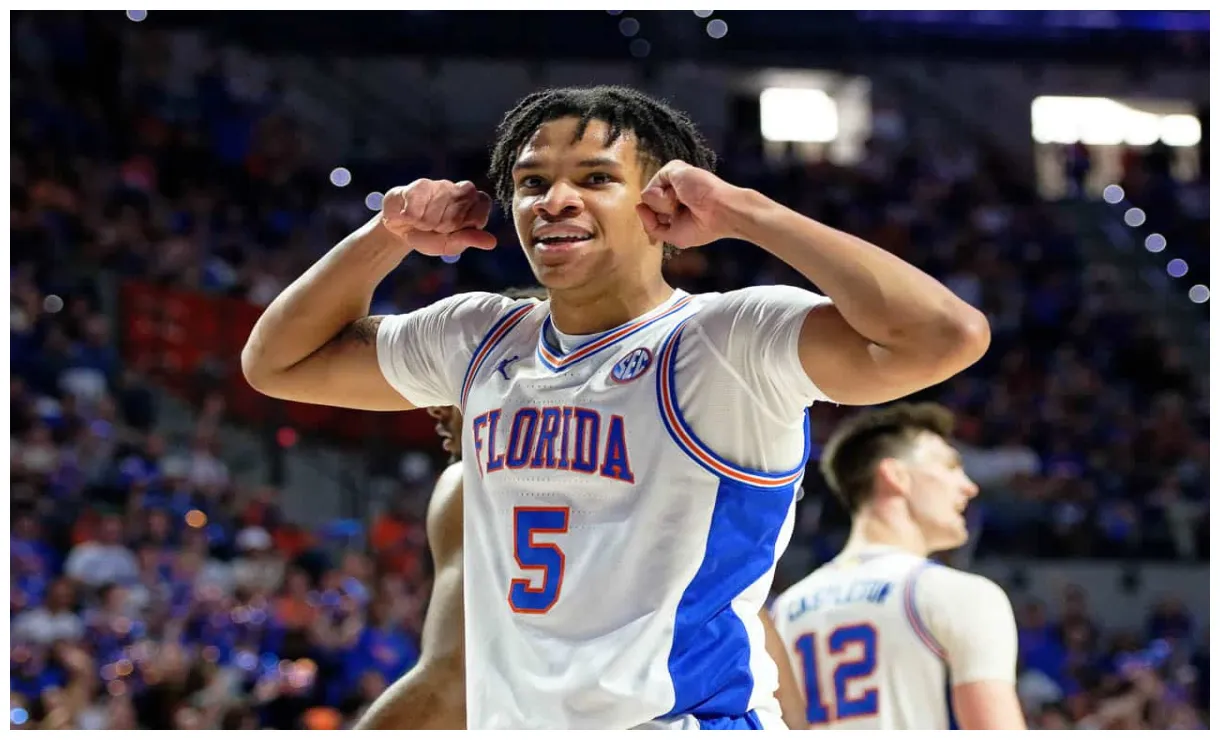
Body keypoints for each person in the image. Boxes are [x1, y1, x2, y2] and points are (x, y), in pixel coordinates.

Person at [242, 85, 989, 729]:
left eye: (596, 177)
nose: (555, 200)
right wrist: (388, 235)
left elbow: (946, 335)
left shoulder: (727, 339)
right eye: (532, 183)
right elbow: (276, 363)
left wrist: (750, 214)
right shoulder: (478, 335)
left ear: (662, 200)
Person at [356, 400, 806, 730]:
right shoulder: (646, 453)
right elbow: (741, 612)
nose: (434, 407)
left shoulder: (467, 482)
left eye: (448, 380)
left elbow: (450, 682)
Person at [770, 403, 1025, 730]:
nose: (969, 486)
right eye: (950, 467)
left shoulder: (785, 609)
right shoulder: (957, 594)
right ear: (896, 476)